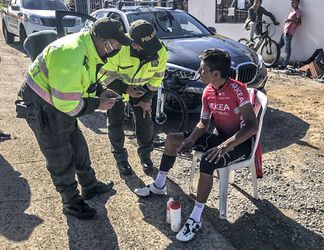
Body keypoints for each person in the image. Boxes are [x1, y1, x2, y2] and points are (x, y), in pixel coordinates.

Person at [134, 49, 258, 241]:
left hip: (240, 143)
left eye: (202, 70)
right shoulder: (208, 91)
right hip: (220, 138)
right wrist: (190, 140)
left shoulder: (237, 89)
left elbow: (251, 125)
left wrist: (224, 146)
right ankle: (159, 185)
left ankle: (196, 217)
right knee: (172, 139)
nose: (198, 72)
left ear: (215, 74)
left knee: (207, 162)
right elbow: (203, 123)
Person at [15, 18, 133, 220]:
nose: (116, 48)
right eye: (115, 43)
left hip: (58, 102)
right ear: (102, 40)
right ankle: (71, 202)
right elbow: (68, 105)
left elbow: (86, 81)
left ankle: (90, 186)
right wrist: (97, 104)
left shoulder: (90, 48)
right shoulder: (70, 53)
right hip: (43, 106)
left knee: (78, 146)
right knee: (59, 155)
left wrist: (101, 92)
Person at [99, 20, 168, 176]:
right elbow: (104, 76)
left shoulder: (160, 50)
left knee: (145, 120)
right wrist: (125, 89)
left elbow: (157, 78)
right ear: (134, 44)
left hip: (141, 90)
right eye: (145, 46)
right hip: (116, 89)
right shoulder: (118, 48)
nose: (151, 50)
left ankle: (146, 156)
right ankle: (121, 159)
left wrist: (146, 99)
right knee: (116, 122)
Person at [277, 0, 302, 69]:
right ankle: (275, 61)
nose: (291, 3)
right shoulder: (292, 11)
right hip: (284, 32)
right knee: (277, 47)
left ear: (297, 3)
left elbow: (299, 22)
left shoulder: (298, 11)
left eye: (293, 2)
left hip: (289, 33)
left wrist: (290, 20)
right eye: (291, 2)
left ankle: (284, 65)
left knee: (287, 50)